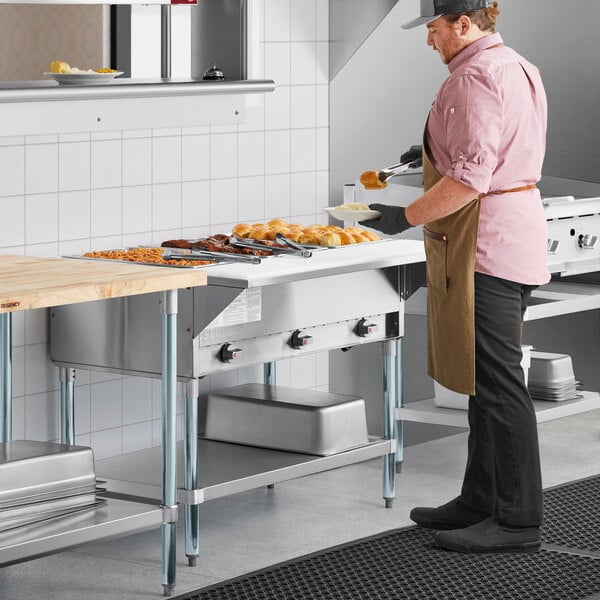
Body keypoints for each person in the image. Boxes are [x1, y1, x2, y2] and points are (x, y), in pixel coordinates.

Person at [367, 0, 550, 553]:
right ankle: (480, 501)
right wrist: (432, 148)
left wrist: (405, 216)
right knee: (483, 382)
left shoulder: (473, 77)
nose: (429, 40)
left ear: (464, 24)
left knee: (498, 387)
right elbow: (490, 145)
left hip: (486, 243)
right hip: (515, 235)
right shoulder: (515, 64)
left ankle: (517, 522)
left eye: (434, 28)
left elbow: (471, 179)